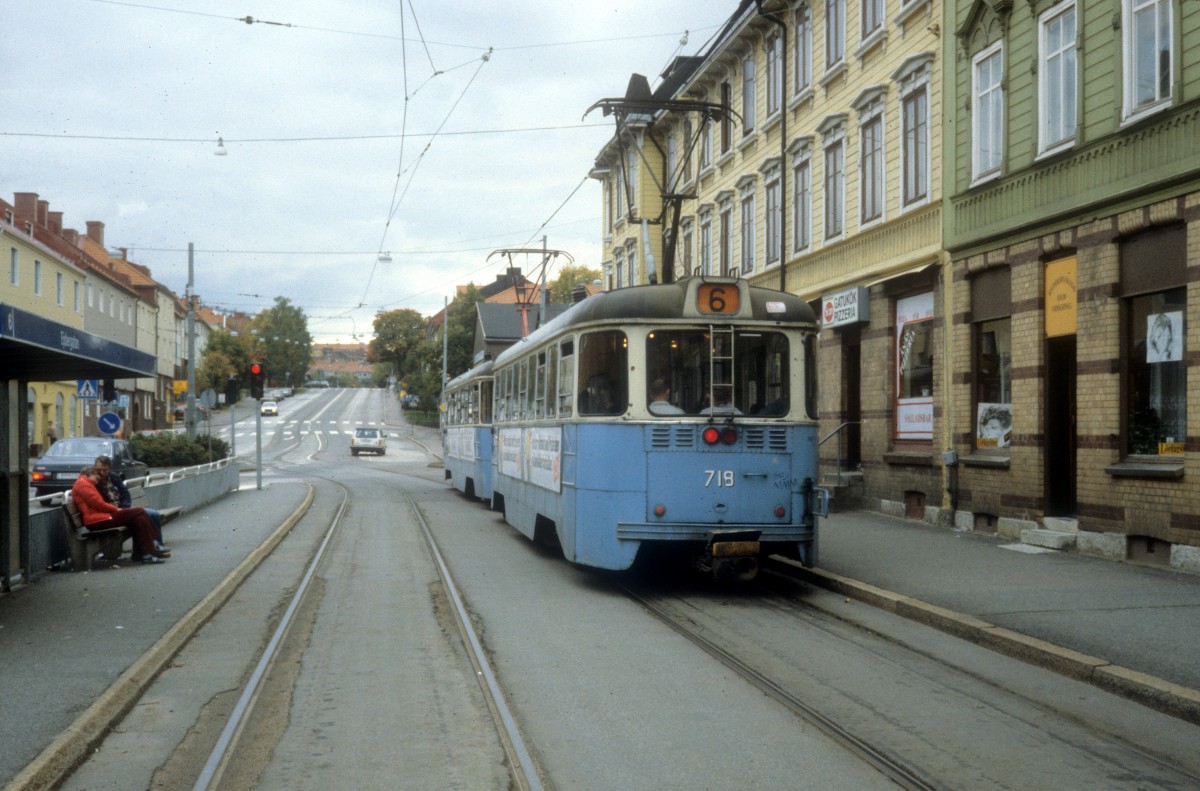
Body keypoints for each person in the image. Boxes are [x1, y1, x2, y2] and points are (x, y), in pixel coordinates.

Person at [70, 467, 169, 564]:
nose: (98, 478)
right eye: (96, 476)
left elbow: (97, 504)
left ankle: (143, 554)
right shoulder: (83, 485)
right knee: (139, 511)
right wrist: (116, 509)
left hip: (100, 518)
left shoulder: (84, 483)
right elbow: (98, 504)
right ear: (89, 474)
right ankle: (153, 544)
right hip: (96, 521)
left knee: (139, 518)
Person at [94, 454, 164, 532]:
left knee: (154, 515)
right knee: (140, 518)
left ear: (109, 469)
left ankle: (157, 543)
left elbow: (125, 493)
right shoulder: (94, 481)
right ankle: (150, 543)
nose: (101, 473)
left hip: (123, 509)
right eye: (99, 470)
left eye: (105, 470)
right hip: (110, 513)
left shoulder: (113, 477)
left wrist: (124, 507)